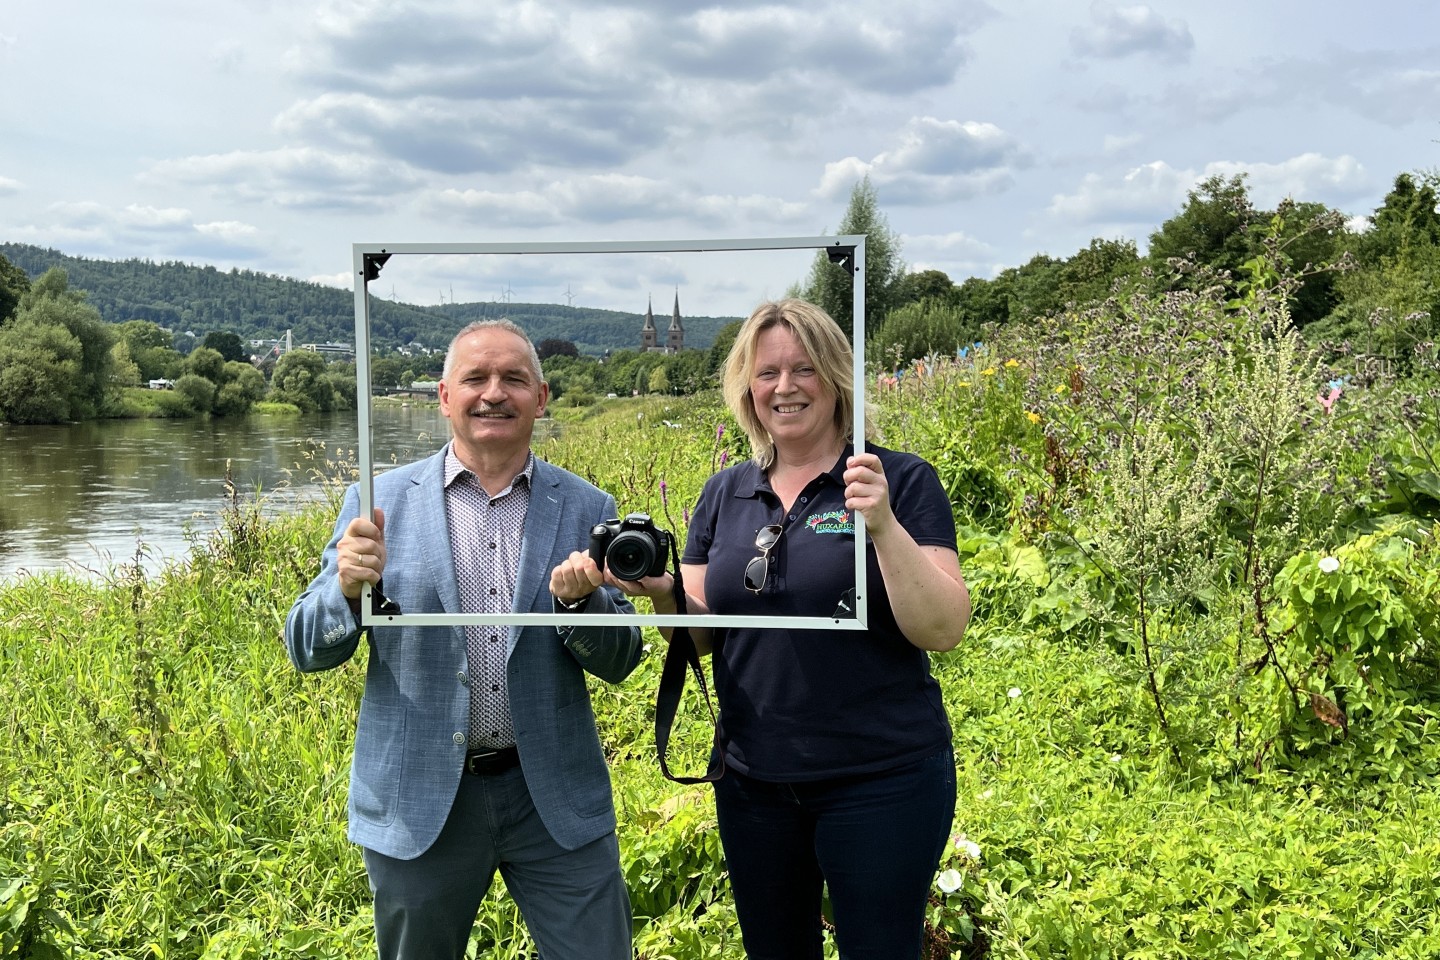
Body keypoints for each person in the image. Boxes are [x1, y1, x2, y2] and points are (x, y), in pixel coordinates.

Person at [613, 298, 971, 959]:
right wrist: (661, 592)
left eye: (803, 369)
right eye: (767, 372)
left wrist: (885, 525)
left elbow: (943, 627)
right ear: (747, 390)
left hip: (882, 778)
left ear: (834, 377)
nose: (785, 387)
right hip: (754, 780)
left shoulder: (901, 480)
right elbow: (698, 638)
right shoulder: (723, 493)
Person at [285, 319, 643, 960]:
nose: (494, 393)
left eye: (513, 378)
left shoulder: (588, 505)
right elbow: (307, 648)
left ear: (542, 395)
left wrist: (580, 602)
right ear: (445, 396)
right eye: (475, 378)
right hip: (421, 804)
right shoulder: (376, 501)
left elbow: (620, 661)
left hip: (552, 800)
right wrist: (344, 589)